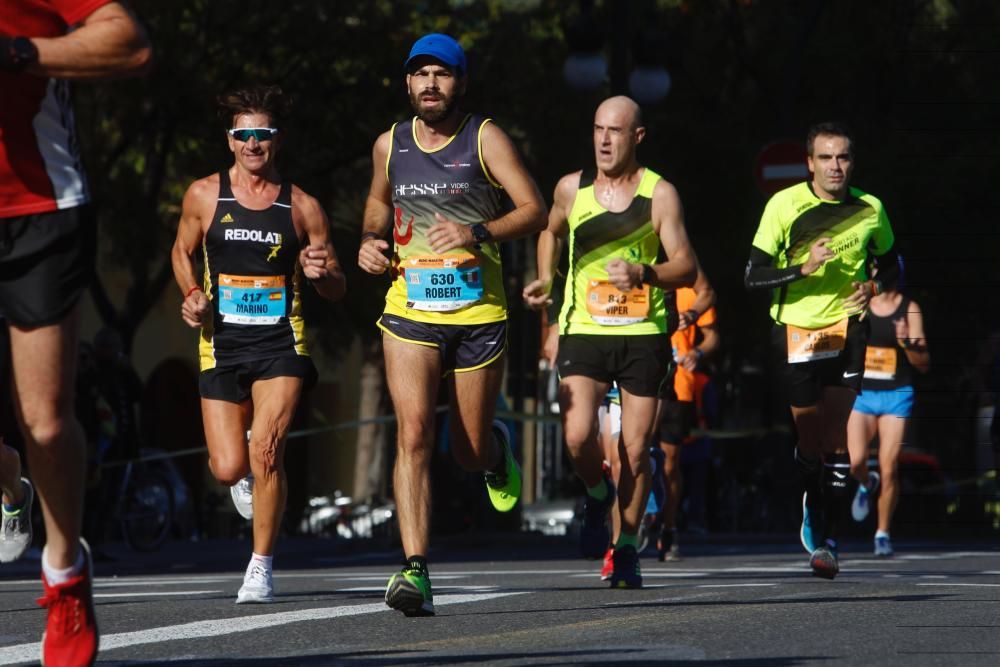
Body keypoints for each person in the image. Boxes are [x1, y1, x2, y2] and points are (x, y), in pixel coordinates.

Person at [358, 33, 546, 617]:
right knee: (412, 434)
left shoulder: (484, 138)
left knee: (465, 450)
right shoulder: (389, 144)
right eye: (421, 75)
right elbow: (377, 206)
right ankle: (415, 569)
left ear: (459, 83)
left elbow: (534, 210)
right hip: (410, 308)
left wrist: (476, 232)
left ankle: (495, 452)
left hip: (478, 313)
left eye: (442, 74)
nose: (430, 84)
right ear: (407, 83)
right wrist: (369, 241)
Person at [1, 3, 151, 663]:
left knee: (46, 423)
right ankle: (12, 490)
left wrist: (17, 52)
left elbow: (127, 42)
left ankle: (64, 571)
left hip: (40, 209)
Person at [171, 84, 345, 604]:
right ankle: (243, 475)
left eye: (262, 134)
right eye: (243, 134)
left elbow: (337, 287)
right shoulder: (204, 195)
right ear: (230, 141)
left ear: (276, 140)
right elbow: (181, 252)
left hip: (279, 345)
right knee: (228, 466)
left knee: (266, 448)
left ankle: (261, 565)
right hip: (221, 344)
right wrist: (193, 293)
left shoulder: (303, 207)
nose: (253, 144)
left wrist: (321, 275)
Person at [524, 95, 698, 589]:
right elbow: (549, 233)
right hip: (584, 329)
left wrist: (645, 272)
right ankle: (599, 492)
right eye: (598, 129)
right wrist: (546, 282)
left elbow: (685, 264)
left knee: (636, 449)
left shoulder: (659, 194)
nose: (603, 140)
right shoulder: (569, 189)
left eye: (615, 131)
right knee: (578, 436)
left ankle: (626, 548)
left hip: (643, 333)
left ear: (636, 137)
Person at [745, 121, 899, 580]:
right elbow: (753, 276)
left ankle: (825, 536)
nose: (836, 166)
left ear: (853, 162)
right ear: (810, 163)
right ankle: (812, 496)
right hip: (795, 331)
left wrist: (872, 286)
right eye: (826, 158)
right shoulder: (784, 205)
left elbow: (894, 266)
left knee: (835, 441)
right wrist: (803, 267)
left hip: (848, 331)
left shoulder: (870, 208)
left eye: (844, 157)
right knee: (810, 439)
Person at [847, 260, 928, 557]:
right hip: (863, 394)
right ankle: (867, 483)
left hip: (897, 394)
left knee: (889, 465)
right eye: (873, 267)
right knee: (855, 461)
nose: (877, 272)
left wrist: (907, 342)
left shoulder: (910, 308)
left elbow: (924, 364)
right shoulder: (859, 304)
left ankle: (882, 532)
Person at [655, 270, 719, 562]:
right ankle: (627, 528)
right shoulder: (637, 279)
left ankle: (668, 529)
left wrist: (698, 353)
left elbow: (712, 337)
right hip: (641, 380)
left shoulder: (690, 288)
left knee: (669, 463)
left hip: (679, 386)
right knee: (630, 452)